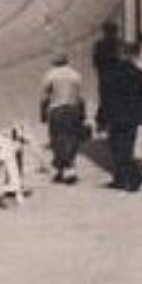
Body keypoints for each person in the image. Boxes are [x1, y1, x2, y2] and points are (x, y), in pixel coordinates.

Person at [99, 48, 142, 191]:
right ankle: (121, 179)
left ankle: (132, 179)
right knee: (126, 148)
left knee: (116, 148)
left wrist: (101, 118)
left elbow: (105, 98)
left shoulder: (111, 74)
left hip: (115, 117)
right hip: (132, 117)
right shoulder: (139, 74)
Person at [39, 52, 90, 185]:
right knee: (72, 138)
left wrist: (42, 114)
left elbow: (45, 97)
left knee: (56, 139)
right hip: (73, 109)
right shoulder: (75, 74)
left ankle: (61, 170)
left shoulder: (50, 75)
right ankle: (70, 169)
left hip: (57, 110)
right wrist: (83, 114)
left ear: (55, 61)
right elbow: (80, 96)